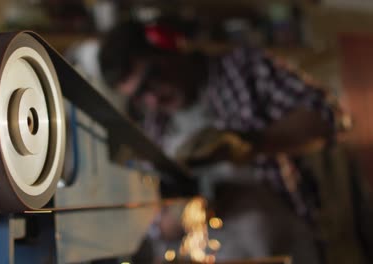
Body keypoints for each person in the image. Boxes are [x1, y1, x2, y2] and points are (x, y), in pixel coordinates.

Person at [98, 20, 341, 263]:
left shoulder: (243, 70)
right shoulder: (153, 132)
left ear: (170, 44)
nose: (153, 98)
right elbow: (155, 227)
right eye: (140, 95)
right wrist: (183, 212)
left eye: (153, 77)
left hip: (285, 247)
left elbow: (324, 116)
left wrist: (247, 143)